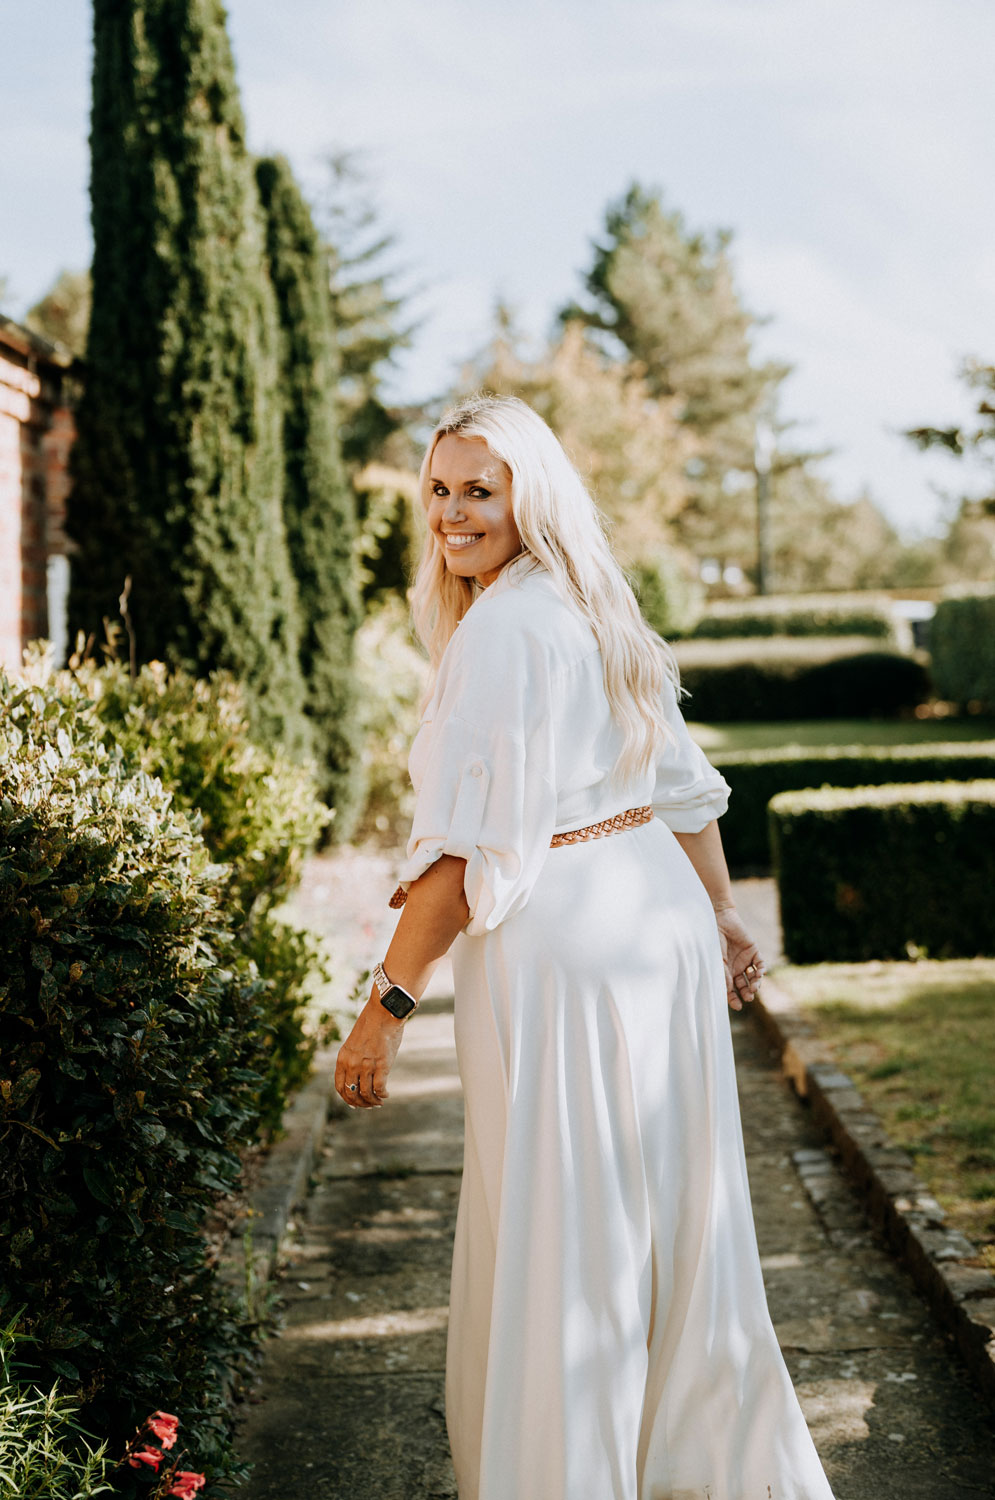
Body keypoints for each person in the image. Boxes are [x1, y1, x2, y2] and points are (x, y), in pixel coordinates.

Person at [335, 395, 836, 1500]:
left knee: (565, 1226)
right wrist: (716, 913)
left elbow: (462, 860)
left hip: (565, 949)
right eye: (438, 489)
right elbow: (679, 784)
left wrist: (385, 1009)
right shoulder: (588, 601)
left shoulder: (506, 630)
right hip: (650, 920)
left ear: (529, 495)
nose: (452, 514)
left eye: (480, 490)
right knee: (666, 1213)